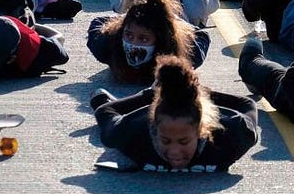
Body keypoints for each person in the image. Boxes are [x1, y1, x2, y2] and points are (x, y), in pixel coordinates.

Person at [89, 55, 259, 173]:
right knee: (101, 101)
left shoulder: (233, 135)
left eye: (184, 141)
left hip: (196, 99)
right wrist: (151, 95)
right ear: (154, 128)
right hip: (150, 102)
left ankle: (253, 51)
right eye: (166, 140)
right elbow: (105, 110)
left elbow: (247, 104)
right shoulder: (133, 132)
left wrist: (199, 93)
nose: (175, 152)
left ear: (201, 130)